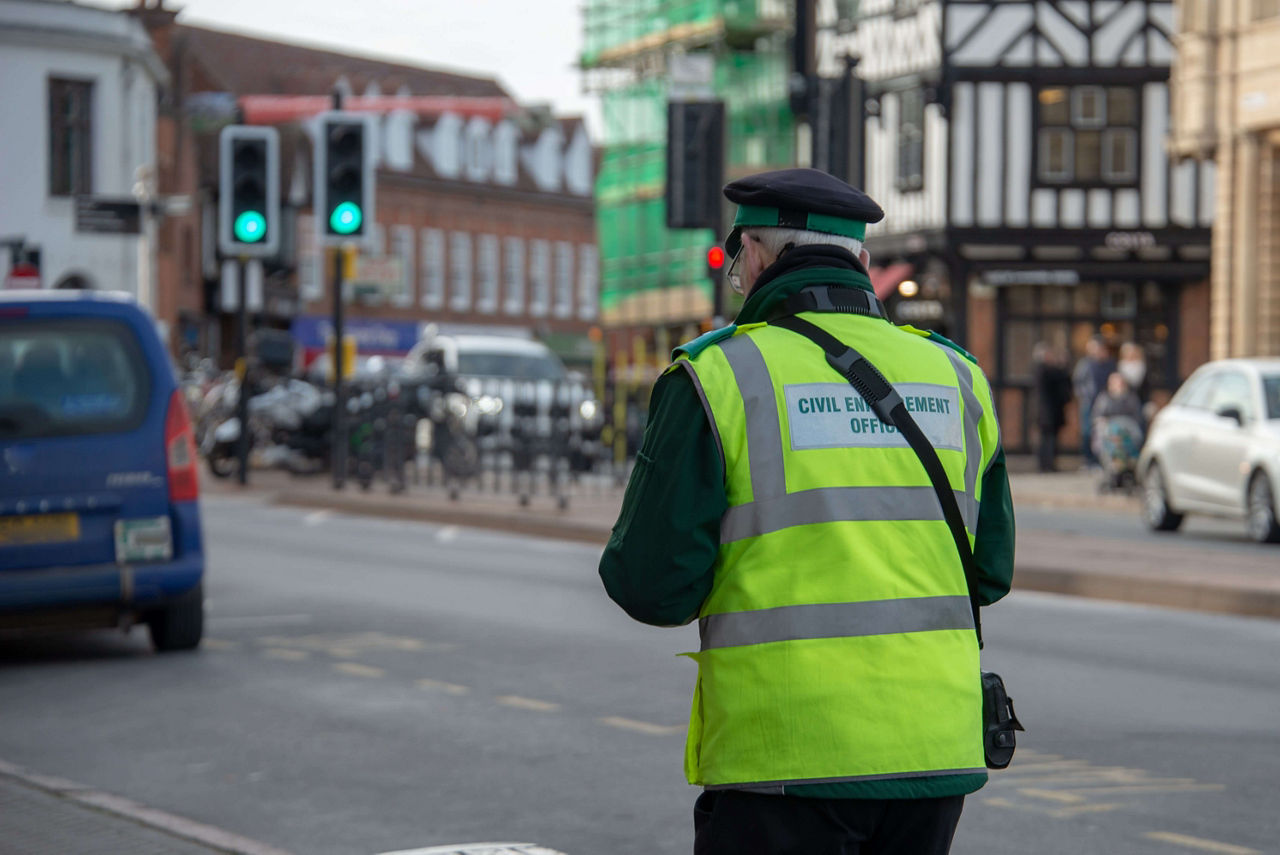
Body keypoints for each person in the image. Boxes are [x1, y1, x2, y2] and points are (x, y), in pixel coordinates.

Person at [599, 168, 1016, 855]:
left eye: (737, 263)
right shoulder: (957, 376)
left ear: (756, 256)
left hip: (786, 755)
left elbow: (650, 584)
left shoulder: (717, 376)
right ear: (863, 264)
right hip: (935, 753)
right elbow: (990, 572)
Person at [1072, 336, 1115, 467]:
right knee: (1086, 431)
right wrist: (1084, 396)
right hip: (1089, 403)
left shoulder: (1110, 364)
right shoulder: (1085, 364)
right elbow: (1078, 383)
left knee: (1103, 431)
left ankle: (1101, 459)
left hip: (1105, 404)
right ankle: (1088, 460)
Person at [1033, 343, 1072, 472]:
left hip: (1050, 412)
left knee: (1049, 439)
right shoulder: (1043, 370)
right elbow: (1061, 376)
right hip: (1047, 412)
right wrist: (1063, 364)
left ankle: (1048, 464)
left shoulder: (1046, 371)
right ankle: (1046, 464)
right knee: (1048, 439)